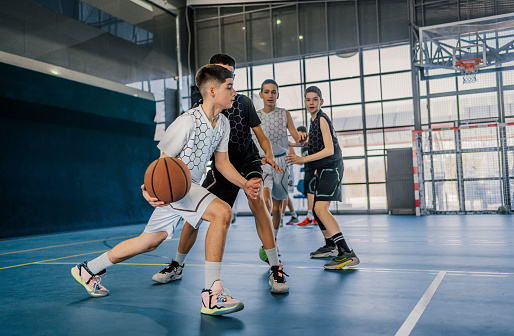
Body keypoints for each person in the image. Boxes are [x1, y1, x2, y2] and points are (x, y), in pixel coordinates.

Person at [71, 64, 260, 316]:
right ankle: (211, 295)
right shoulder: (186, 122)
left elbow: (222, 164)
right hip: (178, 188)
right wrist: (148, 189)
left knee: (149, 242)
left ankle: (88, 269)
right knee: (222, 213)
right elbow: (162, 165)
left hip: (184, 187)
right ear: (212, 90)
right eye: (229, 86)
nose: (235, 92)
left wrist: (245, 183)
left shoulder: (223, 123)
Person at [149, 54, 289, 294]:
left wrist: (268, 153)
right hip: (221, 167)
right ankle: (177, 265)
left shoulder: (243, 102)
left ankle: (275, 266)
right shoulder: (199, 110)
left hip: (248, 162)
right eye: (223, 73)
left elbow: (262, 136)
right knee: (195, 216)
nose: (229, 78)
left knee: (258, 201)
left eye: (231, 75)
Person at [286, 86, 359, 269]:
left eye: (315, 99)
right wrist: (292, 142)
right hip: (324, 169)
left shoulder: (322, 119)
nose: (311, 103)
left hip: (331, 169)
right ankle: (330, 245)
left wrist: (302, 159)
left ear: (321, 102)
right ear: (305, 102)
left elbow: (329, 149)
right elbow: (315, 142)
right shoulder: (315, 120)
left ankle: (346, 252)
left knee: (320, 209)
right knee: (317, 209)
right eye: (308, 100)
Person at [252, 79, 305, 246]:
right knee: (266, 203)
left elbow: (296, 139)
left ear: (277, 95)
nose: (270, 95)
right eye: (266, 92)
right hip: (263, 162)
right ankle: (267, 243)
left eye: (273, 92)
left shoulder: (285, 114)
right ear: (261, 95)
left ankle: (272, 240)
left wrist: (302, 141)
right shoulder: (256, 116)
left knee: (277, 208)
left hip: (282, 162)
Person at [294, 125, 317, 226]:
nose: (299, 137)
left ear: (304, 133)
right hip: (307, 171)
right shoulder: (303, 147)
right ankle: (313, 217)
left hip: (313, 171)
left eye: (300, 134)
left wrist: (317, 169)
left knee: (311, 194)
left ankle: (310, 217)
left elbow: (317, 157)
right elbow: (302, 161)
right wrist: (292, 159)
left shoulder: (312, 143)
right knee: (308, 194)